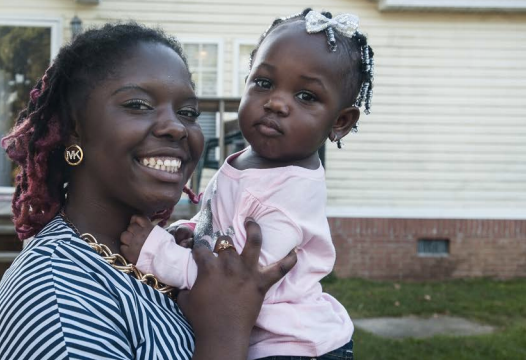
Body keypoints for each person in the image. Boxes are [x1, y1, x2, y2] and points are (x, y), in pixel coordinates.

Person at [0, 22, 297, 360]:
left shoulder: (162, 255)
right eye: (138, 104)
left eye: (188, 112)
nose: (176, 127)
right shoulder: (56, 300)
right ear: (75, 130)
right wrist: (225, 334)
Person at [120, 9, 374, 360]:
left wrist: (155, 253)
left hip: (295, 347)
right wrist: (187, 230)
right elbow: (218, 220)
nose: (276, 102)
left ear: (340, 122)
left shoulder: (291, 195)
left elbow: (236, 281)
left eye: (306, 97)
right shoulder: (246, 161)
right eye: (264, 83)